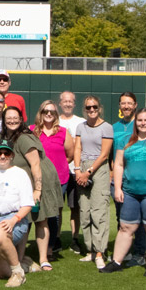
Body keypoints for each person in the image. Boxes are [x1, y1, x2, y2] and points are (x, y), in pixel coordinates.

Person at [103, 109, 146, 277]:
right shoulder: (125, 141)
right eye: (140, 120)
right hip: (129, 192)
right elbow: (118, 165)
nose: (143, 123)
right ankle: (117, 262)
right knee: (126, 227)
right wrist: (118, 188)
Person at [2, 106, 64, 271]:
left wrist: (37, 189)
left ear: (21, 119)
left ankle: (43, 259)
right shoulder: (5, 137)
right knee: (24, 219)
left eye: (16, 117)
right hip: (24, 181)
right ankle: (20, 257)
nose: (12, 120)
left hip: (39, 179)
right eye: (9, 118)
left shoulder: (24, 138)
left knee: (39, 218)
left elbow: (36, 164)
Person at [0, 140, 34, 287]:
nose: (2, 156)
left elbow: (28, 204)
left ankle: (18, 273)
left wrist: (14, 220)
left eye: (6, 153)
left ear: (12, 155)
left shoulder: (20, 173)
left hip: (10, 219)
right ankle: (24, 264)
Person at [73, 96, 113, 269]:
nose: (91, 110)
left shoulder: (107, 127)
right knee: (85, 211)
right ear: (84, 109)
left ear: (99, 108)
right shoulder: (80, 126)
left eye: (94, 107)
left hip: (99, 169)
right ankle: (90, 249)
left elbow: (104, 154)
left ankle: (99, 251)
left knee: (99, 212)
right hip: (82, 167)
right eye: (88, 107)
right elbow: (77, 148)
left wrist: (88, 173)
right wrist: (77, 170)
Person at [33, 99, 73, 258]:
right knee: (39, 212)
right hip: (38, 179)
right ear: (41, 113)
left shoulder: (63, 132)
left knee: (55, 212)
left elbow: (69, 155)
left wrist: (56, 168)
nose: (49, 114)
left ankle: (51, 246)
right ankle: (39, 243)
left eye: (52, 112)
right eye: (45, 111)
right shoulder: (32, 131)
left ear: (56, 115)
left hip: (59, 179)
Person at [112, 92, 146, 267]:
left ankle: (139, 252)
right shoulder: (114, 127)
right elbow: (112, 155)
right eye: (123, 103)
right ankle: (125, 250)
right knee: (122, 217)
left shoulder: (141, 125)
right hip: (118, 180)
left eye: (129, 103)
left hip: (136, 178)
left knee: (139, 218)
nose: (126, 106)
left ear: (135, 105)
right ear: (119, 106)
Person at [58, 91, 85, 253]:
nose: (68, 104)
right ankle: (57, 238)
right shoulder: (55, 121)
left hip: (76, 170)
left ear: (74, 104)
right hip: (59, 172)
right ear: (60, 103)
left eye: (71, 101)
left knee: (75, 207)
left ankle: (75, 239)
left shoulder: (81, 122)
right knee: (57, 207)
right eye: (65, 101)